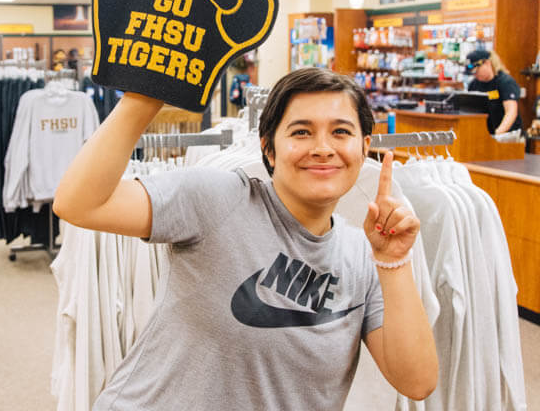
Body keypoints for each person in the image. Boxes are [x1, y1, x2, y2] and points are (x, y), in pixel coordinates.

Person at [54, 67, 438, 410]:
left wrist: (394, 261)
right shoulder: (221, 198)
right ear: (268, 148)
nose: (323, 148)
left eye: (341, 131)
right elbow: (80, 204)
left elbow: (417, 382)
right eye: (301, 132)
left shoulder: (362, 256)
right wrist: (146, 95)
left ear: (365, 148)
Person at [466, 50, 523, 135]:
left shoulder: (505, 82)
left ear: (487, 63)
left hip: (507, 136)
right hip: (485, 135)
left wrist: (497, 133)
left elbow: (511, 111)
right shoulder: (474, 85)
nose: (475, 75)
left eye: (476, 71)